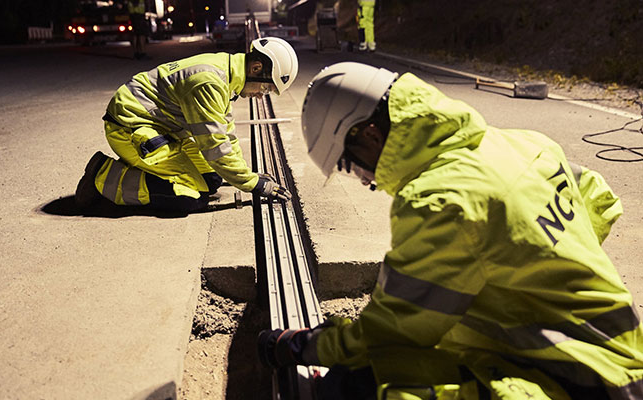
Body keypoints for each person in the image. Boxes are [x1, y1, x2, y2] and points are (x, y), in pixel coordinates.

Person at [257, 62, 643, 399]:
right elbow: (599, 197)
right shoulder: (520, 143)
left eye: (349, 164)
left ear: (370, 135)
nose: (362, 179)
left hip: (583, 380)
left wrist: (301, 346)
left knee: (354, 385)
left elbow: (392, 331)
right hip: (622, 351)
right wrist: (539, 269)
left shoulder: (438, 200)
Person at [74, 37, 298, 213]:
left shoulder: (226, 73)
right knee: (190, 197)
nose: (261, 96)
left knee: (212, 179)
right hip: (129, 128)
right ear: (256, 68)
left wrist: (248, 175)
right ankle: (102, 176)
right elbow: (215, 146)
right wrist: (253, 185)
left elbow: (226, 134)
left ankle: (149, 169)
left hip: (159, 127)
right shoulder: (209, 82)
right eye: (266, 89)